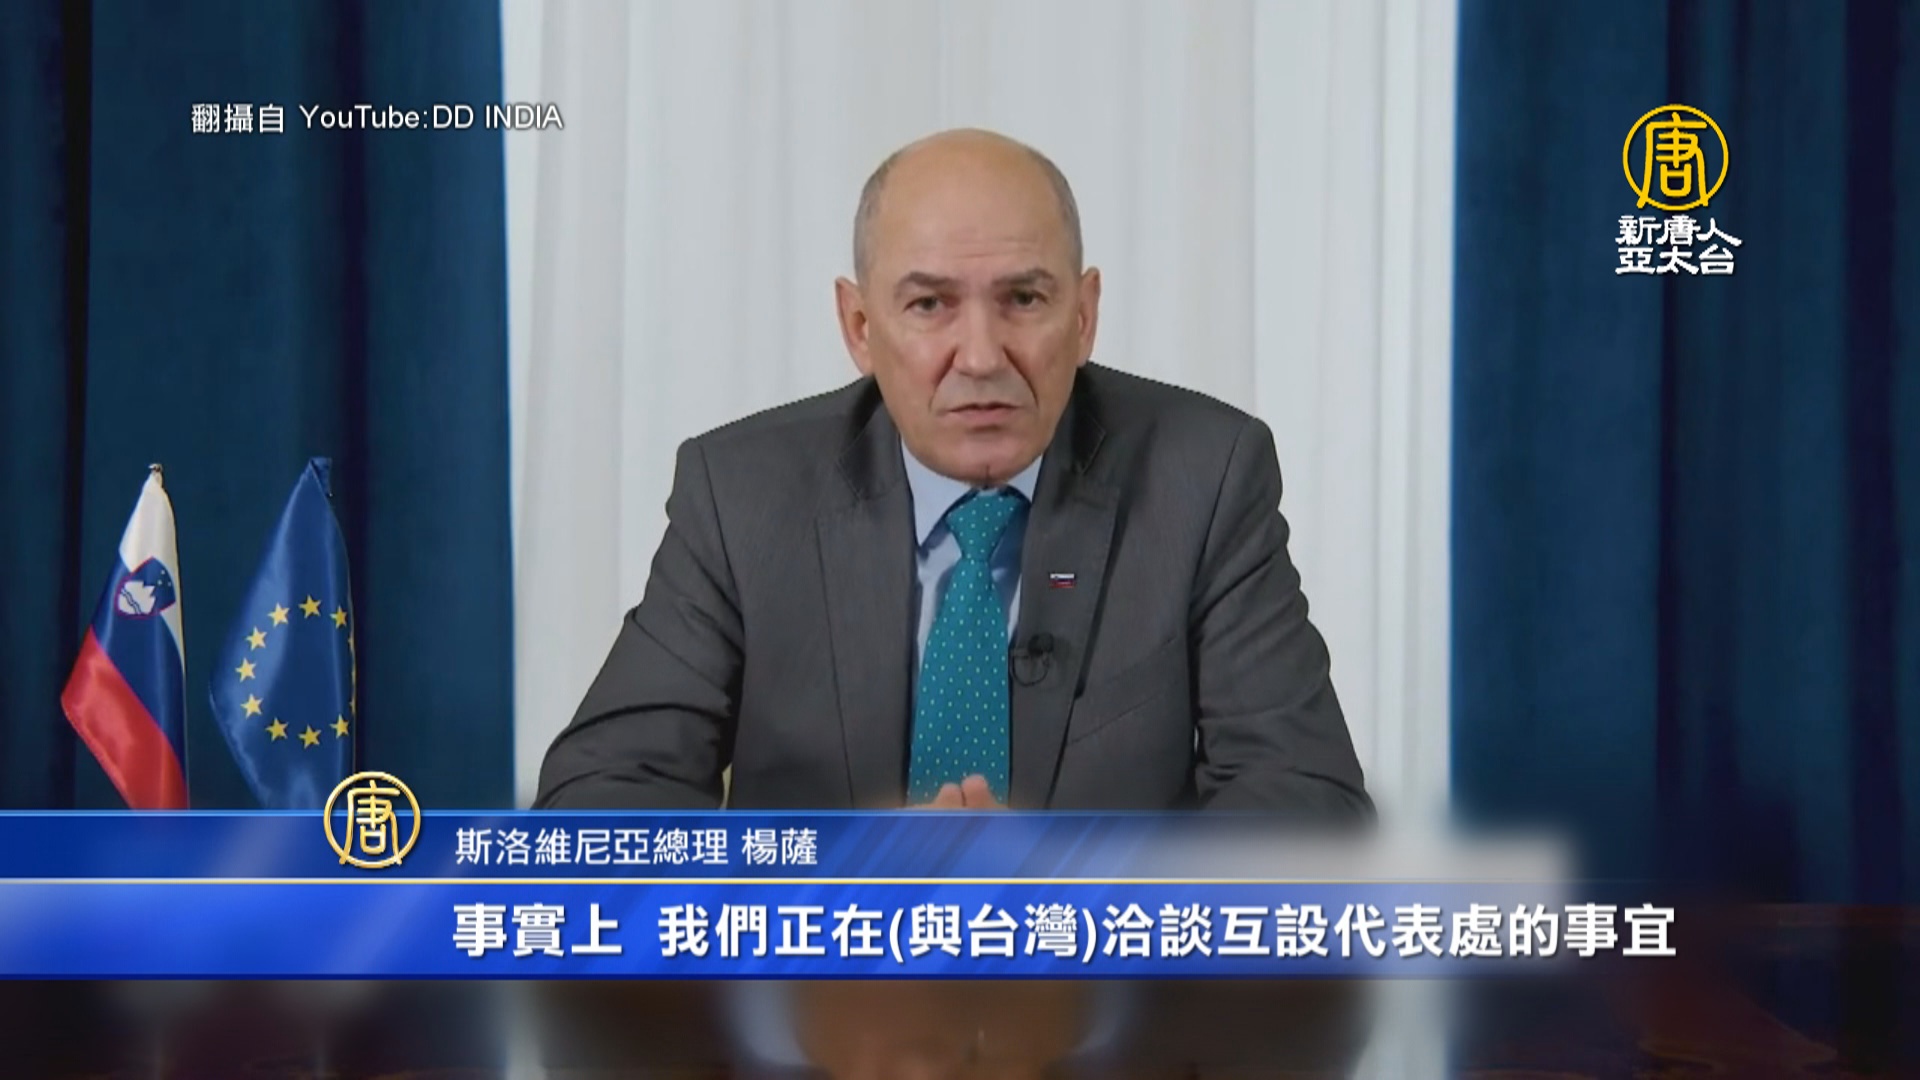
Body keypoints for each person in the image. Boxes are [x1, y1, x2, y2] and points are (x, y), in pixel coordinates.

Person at [534, 129, 1370, 816]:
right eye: (929, 305)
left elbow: (1308, 807)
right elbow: (596, 804)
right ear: (860, 327)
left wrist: (1059, 887)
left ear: (1084, 317)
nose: (980, 357)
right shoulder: (742, 496)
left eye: (1024, 300)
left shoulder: (1205, 477)